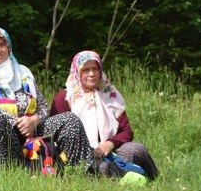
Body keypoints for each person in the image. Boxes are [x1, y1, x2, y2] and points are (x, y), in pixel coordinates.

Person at [0, 27, 92, 168]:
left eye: (2, 44)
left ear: (8, 47)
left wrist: (33, 120)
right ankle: (3, 172)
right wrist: (20, 124)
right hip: (3, 136)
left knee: (70, 119)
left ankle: (82, 171)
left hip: (32, 129)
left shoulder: (23, 72)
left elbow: (43, 106)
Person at [50, 50, 160, 180]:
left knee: (137, 149)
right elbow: (55, 135)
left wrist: (109, 144)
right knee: (101, 168)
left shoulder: (110, 94)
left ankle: (154, 181)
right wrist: (89, 151)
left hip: (111, 151)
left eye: (95, 69)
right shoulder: (65, 98)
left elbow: (126, 131)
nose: (91, 74)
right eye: (85, 70)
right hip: (81, 156)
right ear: (77, 72)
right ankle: (125, 179)